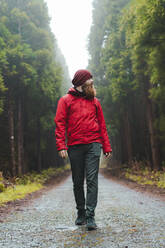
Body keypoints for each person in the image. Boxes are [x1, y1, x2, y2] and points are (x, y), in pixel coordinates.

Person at [54, 69, 112, 230]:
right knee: (78, 181)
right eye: (89, 82)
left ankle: (90, 216)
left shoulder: (95, 102)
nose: (92, 84)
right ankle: (80, 211)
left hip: (94, 144)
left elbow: (102, 125)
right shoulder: (65, 101)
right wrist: (61, 145)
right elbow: (60, 123)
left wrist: (106, 145)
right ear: (81, 83)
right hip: (75, 146)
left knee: (92, 180)